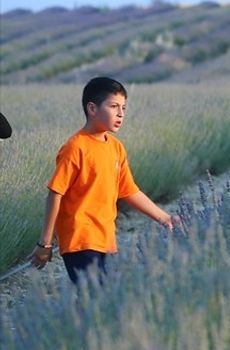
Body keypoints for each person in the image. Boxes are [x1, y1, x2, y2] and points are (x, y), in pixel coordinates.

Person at [31, 76, 175, 284]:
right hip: (80, 239)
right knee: (95, 295)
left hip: (106, 238)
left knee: (104, 297)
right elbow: (55, 193)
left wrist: (164, 218)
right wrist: (45, 243)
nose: (121, 113)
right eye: (114, 106)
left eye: (123, 107)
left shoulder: (116, 148)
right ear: (92, 108)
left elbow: (129, 190)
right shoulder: (75, 147)